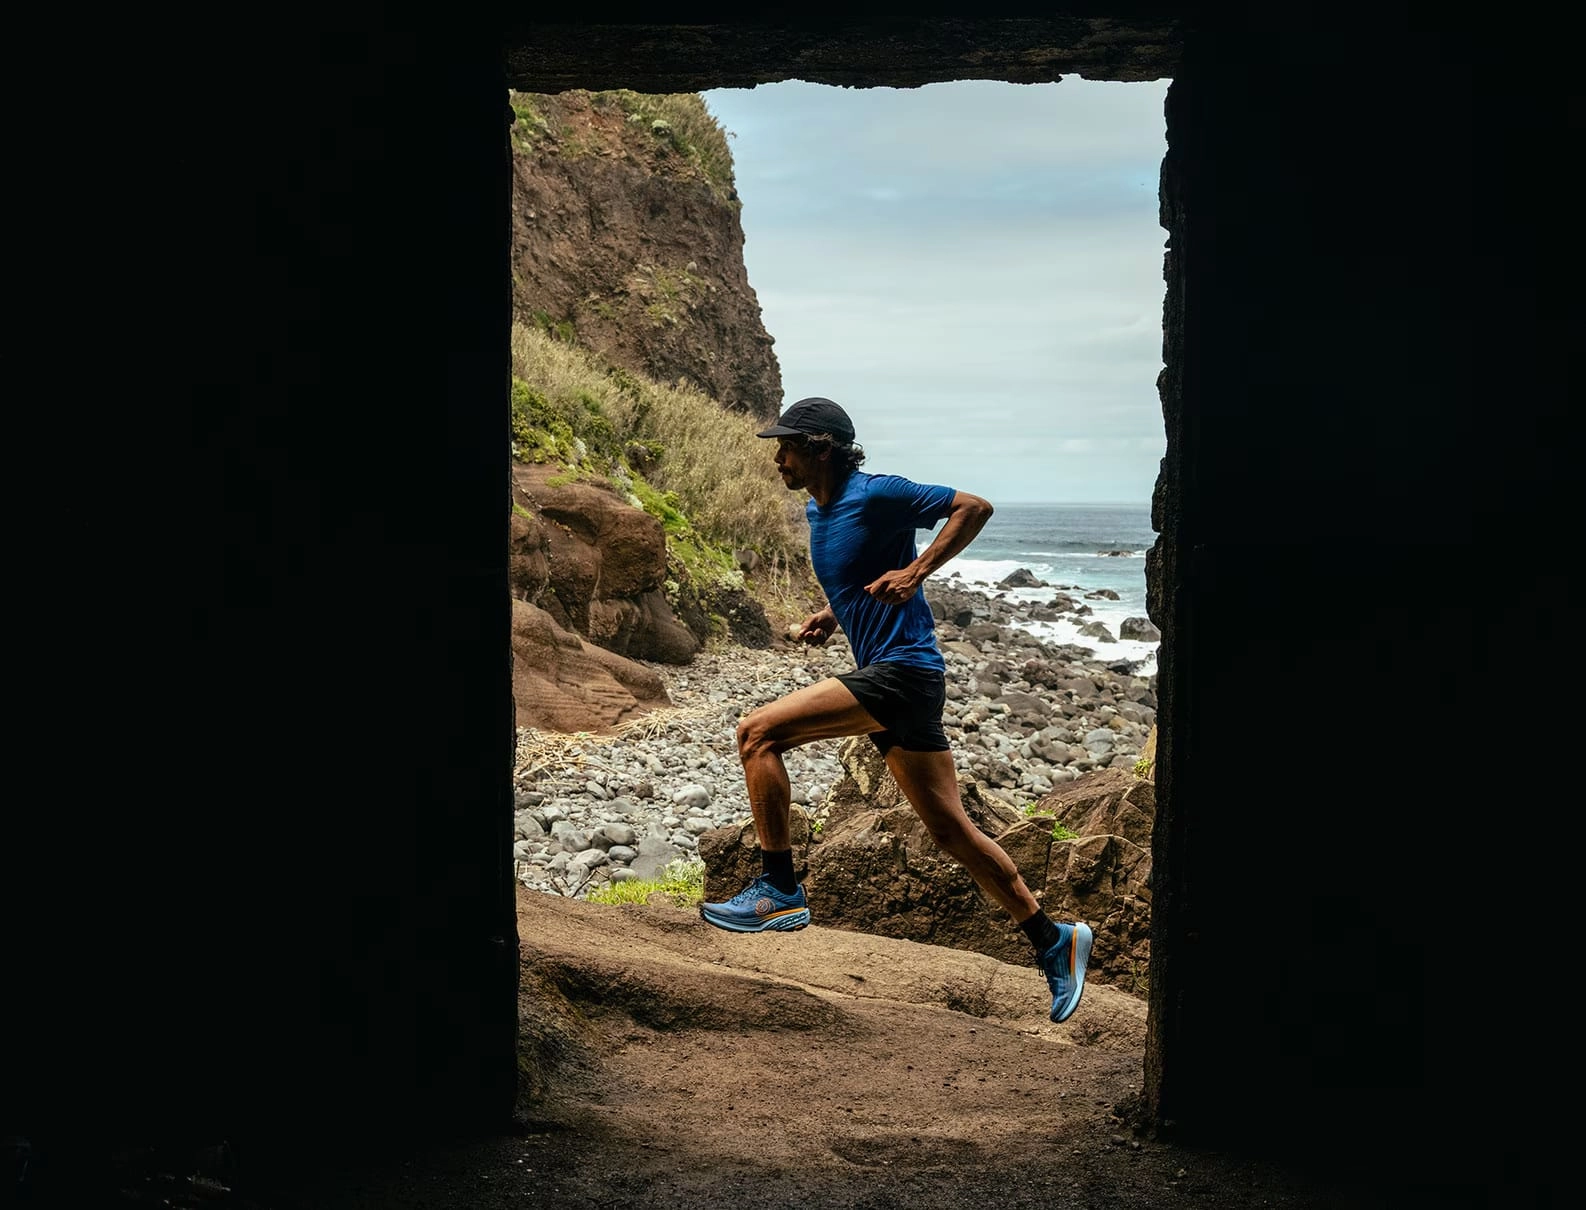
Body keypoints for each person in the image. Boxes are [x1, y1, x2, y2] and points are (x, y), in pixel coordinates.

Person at [699, 396, 1093, 1024]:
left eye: (787, 446)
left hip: (903, 672)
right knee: (951, 830)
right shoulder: (816, 509)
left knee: (757, 733)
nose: (778, 459)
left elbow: (974, 506)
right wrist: (834, 614)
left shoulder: (879, 492)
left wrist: (917, 569)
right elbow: (858, 575)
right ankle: (1054, 940)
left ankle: (778, 889)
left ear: (821, 447)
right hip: (899, 678)